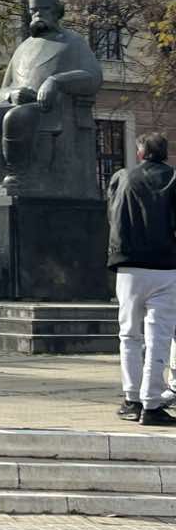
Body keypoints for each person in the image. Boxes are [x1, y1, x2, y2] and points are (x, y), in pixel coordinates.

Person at [106, 132, 176, 426]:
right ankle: (152, 404)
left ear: (140, 153)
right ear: (165, 153)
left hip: (129, 266)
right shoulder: (174, 179)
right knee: (159, 337)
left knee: (129, 335)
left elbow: (112, 216)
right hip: (166, 267)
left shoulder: (123, 178)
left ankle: (131, 399)